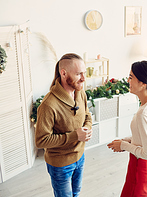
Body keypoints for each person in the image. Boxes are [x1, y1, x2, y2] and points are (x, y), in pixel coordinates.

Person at [35, 53, 93, 197]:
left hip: (80, 157)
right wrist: (74, 136)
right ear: (63, 73)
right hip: (60, 165)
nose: (83, 78)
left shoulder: (81, 93)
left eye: (84, 73)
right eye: (79, 74)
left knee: (76, 193)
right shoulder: (48, 105)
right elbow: (41, 140)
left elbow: (87, 115)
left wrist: (88, 128)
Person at [107, 61, 147, 197]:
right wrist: (125, 141)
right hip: (144, 165)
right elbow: (146, 137)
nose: (128, 81)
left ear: (143, 83)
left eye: (131, 77)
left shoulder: (143, 114)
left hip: (142, 165)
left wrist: (124, 145)